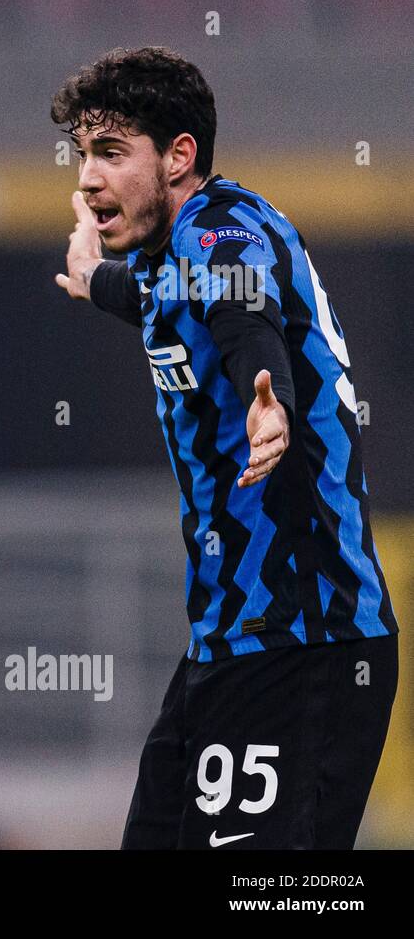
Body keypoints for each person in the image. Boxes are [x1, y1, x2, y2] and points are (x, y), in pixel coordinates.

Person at [52, 46, 398, 849]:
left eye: (110, 153)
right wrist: (93, 279)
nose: (87, 179)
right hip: (232, 640)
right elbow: (162, 295)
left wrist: (261, 397)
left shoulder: (224, 229)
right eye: (81, 156)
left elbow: (241, 310)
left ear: (179, 157)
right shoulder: (173, 256)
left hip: (305, 644)